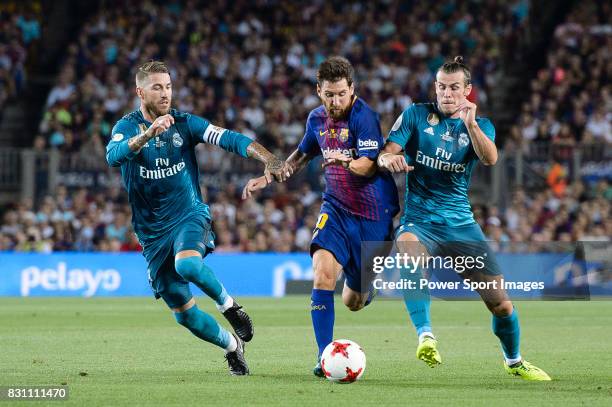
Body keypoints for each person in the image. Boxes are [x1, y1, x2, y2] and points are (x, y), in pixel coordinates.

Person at [106, 60, 288, 376]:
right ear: (140, 91)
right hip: (152, 235)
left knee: (187, 264)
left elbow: (230, 138)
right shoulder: (127, 127)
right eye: (157, 87)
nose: (165, 93)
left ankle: (229, 306)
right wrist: (147, 135)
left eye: (168, 86)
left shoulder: (185, 123)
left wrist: (269, 158)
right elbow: (113, 156)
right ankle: (233, 346)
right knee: (185, 315)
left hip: (189, 214)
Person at [378, 56, 551, 380]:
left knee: (500, 304)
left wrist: (470, 124)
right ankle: (425, 335)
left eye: (454, 88)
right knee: (409, 249)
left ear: (468, 91)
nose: (446, 93)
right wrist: (389, 160)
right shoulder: (415, 115)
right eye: (442, 87)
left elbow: (490, 158)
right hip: (420, 220)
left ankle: (514, 361)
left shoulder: (481, 125)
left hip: (460, 225)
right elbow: (387, 151)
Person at [242, 56, 399, 377]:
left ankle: (366, 290)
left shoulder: (364, 117)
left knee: (353, 301)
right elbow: (302, 154)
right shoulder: (315, 120)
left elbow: (369, 164)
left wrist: (344, 161)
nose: (335, 100)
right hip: (337, 209)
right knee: (322, 274)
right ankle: (324, 356)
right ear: (318, 91)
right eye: (329, 94)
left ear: (352, 89)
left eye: (341, 93)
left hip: (373, 218)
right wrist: (272, 174)